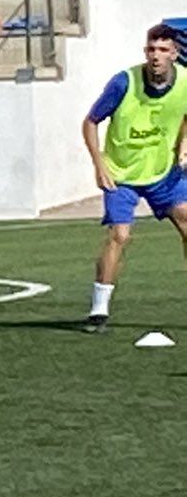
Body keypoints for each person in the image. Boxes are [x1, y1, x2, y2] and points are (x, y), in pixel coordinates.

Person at [83, 22, 187, 332]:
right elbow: (90, 121)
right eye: (151, 49)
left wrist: (184, 143)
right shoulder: (123, 82)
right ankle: (98, 310)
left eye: (163, 50)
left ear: (175, 54)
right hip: (122, 174)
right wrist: (99, 165)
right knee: (121, 235)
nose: (156, 55)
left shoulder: (185, 82)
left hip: (162, 172)